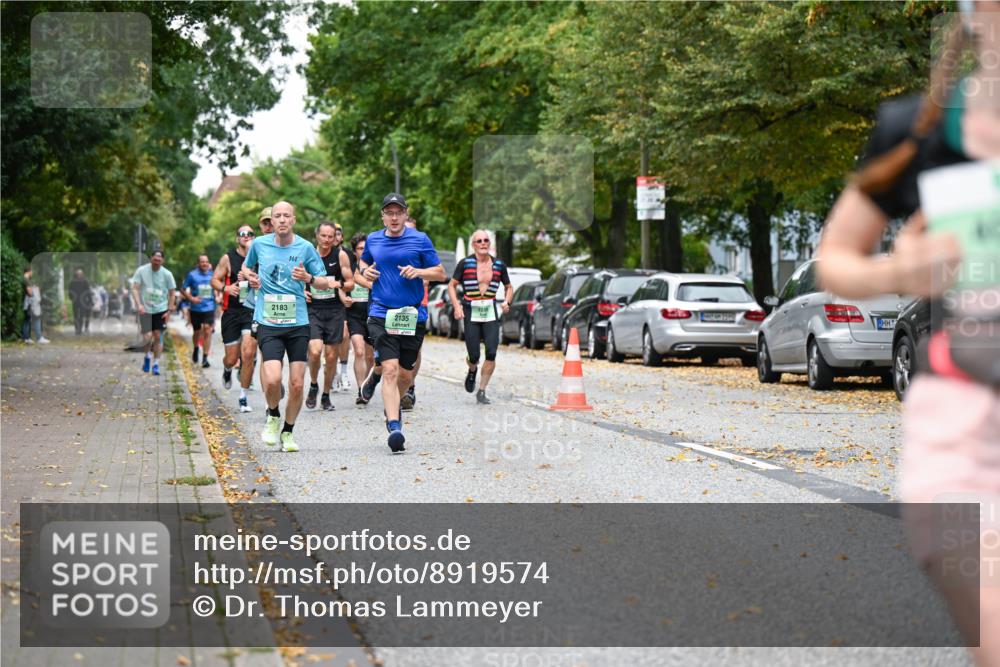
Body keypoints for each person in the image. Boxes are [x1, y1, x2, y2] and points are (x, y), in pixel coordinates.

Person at [816, 6, 999, 665]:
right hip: (966, 416)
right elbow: (834, 256)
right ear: (975, 14)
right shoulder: (917, 130)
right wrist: (899, 267)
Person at [358, 193, 446, 452]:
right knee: (391, 369)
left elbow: (440, 273)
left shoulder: (420, 240)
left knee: (406, 374)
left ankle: (389, 401)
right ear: (382, 216)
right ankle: (394, 424)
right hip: (381, 312)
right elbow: (360, 268)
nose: (394, 217)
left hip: (411, 315)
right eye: (389, 213)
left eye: (399, 212)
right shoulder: (373, 240)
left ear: (406, 215)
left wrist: (418, 272)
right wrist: (366, 272)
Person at [241, 201, 331, 453]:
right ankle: (273, 414)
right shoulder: (259, 244)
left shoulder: (304, 248)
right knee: (271, 381)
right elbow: (246, 267)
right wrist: (250, 276)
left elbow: (325, 282)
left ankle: (288, 431)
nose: (281, 220)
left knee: (297, 384)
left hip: (298, 323)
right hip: (269, 321)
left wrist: (309, 279)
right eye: (276, 216)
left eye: (286, 216)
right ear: (272, 221)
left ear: (293, 220)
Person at [448, 229, 512, 404]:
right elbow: (451, 285)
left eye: (486, 240)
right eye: (479, 241)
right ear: (474, 245)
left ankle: (482, 390)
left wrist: (507, 302)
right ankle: (472, 369)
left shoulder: (499, 265)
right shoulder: (465, 263)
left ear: (489, 244)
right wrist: (457, 306)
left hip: (490, 309)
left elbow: (509, 287)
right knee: (474, 355)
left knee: (491, 352)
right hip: (470, 308)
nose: (483, 243)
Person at [305, 221, 354, 411]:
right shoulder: (308, 254)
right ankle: (314, 384)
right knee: (315, 351)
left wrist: (339, 285)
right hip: (313, 309)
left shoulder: (340, 255)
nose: (327, 240)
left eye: (330, 236)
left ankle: (325, 395)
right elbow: (297, 277)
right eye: (323, 236)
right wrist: (302, 291)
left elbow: (350, 282)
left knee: (332, 356)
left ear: (335, 238)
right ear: (317, 236)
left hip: (334, 310)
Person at [213, 224, 258, 412]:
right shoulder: (228, 258)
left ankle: (243, 396)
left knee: (248, 353)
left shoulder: (260, 257)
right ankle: (227, 369)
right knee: (231, 358)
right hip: (231, 312)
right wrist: (226, 288)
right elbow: (215, 279)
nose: (246, 236)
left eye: (250, 234)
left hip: (251, 311)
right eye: (242, 234)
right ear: (237, 238)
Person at [130, 249, 176, 376]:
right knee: (147, 336)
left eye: (159, 260)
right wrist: (138, 304)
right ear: (150, 259)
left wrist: (169, 310)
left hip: (160, 310)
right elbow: (134, 288)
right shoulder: (142, 271)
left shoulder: (167, 274)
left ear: (163, 260)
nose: (157, 262)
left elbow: (172, 293)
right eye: (155, 260)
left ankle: (156, 363)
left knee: (157, 336)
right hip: (145, 309)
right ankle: (147, 356)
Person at [345, 232, 376, 404]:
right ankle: (360, 391)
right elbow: (340, 285)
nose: (363, 251)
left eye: (366, 248)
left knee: (371, 357)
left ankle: (367, 385)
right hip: (354, 313)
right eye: (359, 248)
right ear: (355, 251)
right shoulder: (349, 267)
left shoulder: (375, 267)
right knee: (359, 351)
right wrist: (345, 299)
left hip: (372, 313)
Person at [182, 254, 216, 368]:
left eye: (206, 261)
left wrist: (218, 295)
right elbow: (183, 289)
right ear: (198, 264)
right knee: (197, 332)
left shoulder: (213, 275)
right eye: (202, 262)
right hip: (196, 308)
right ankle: (196, 347)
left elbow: (218, 286)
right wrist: (191, 298)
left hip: (209, 307)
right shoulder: (192, 275)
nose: (205, 264)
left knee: (207, 330)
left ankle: (205, 358)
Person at [332, 224, 353, 392]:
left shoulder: (348, 255)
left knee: (345, 335)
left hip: (344, 300)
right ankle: (331, 372)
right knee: (328, 342)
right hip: (323, 301)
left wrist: (343, 291)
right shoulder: (318, 253)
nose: (334, 237)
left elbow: (352, 279)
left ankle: (344, 371)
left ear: (341, 237)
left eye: (338, 234)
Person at [21, 268, 48, 344]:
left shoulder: (24, 279)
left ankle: (26, 338)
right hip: (31, 303)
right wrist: (35, 290)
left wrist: (33, 287)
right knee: (36, 319)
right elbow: (29, 292)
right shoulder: (26, 280)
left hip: (27, 304)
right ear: (29, 271)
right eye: (32, 271)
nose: (32, 273)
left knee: (27, 320)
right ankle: (39, 338)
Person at [67, 268, 91, 336]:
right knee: (75, 315)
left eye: (80, 274)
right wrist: (71, 298)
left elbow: (88, 291)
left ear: (82, 274)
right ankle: (77, 328)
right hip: (75, 301)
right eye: (78, 274)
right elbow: (69, 291)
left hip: (83, 302)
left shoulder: (85, 281)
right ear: (76, 274)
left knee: (81, 315)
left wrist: (89, 300)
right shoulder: (72, 282)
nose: (79, 275)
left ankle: (79, 329)